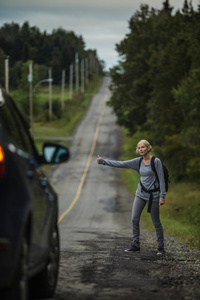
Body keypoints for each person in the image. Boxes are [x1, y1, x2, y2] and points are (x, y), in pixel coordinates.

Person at [97, 139, 166, 255]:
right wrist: (103, 161)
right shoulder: (138, 162)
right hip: (140, 193)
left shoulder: (156, 161)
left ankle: (160, 248)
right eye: (139, 148)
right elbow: (121, 164)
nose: (140, 150)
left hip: (153, 196)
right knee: (134, 218)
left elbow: (162, 178)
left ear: (148, 148)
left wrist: (162, 196)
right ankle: (135, 245)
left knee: (156, 222)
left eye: (143, 147)